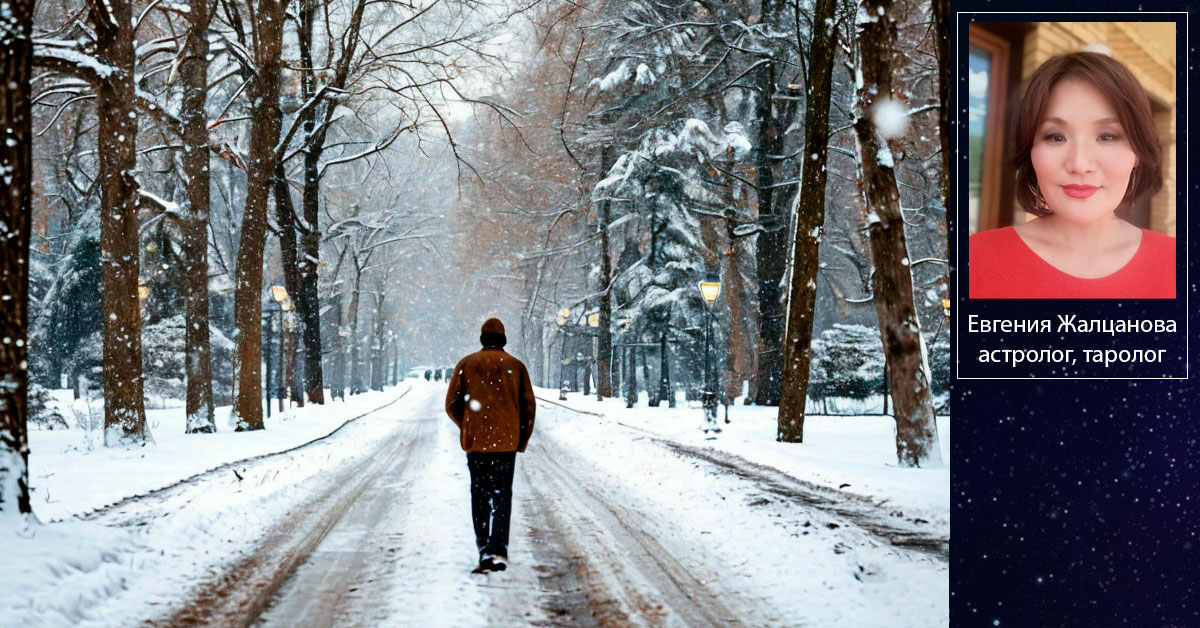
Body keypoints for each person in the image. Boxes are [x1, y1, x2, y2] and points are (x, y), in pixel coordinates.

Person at [969, 51, 1174, 299]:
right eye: (1055, 136)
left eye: (1107, 136)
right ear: (1030, 151)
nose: (1079, 164)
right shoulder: (972, 259)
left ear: (1137, 153)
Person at [445, 317, 536, 574]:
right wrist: (520, 437)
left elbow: (451, 403)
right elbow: (529, 407)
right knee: (502, 496)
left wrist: (468, 425)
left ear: (482, 339)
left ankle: (483, 547)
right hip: (506, 444)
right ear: (503, 339)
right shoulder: (515, 367)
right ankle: (499, 549)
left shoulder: (466, 364)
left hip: (476, 444)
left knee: (480, 495)